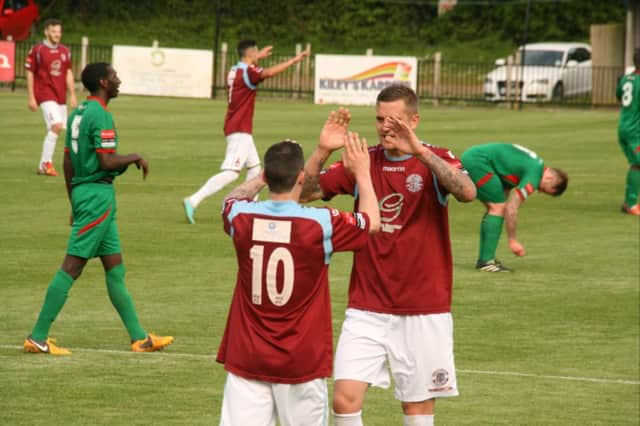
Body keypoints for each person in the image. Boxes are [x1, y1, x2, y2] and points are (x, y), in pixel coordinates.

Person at [300, 85, 476, 426]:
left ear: (414, 120)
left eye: (394, 121)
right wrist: (322, 151)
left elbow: (468, 192)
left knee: (416, 409)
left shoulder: (435, 158)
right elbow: (305, 192)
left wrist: (420, 152)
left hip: (424, 308)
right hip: (367, 305)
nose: (384, 128)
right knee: (344, 400)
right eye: (380, 120)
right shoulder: (363, 160)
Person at [217, 135, 380, 426]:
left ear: (266, 176)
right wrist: (363, 174)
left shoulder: (240, 217)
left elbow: (228, 201)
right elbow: (371, 222)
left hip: (247, 356)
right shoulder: (321, 223)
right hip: (300, 360)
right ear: (301, 177)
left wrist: (258, 181)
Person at [23, 63, 174, 355]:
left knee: (115, 268)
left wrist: (74, 201)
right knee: (73, 265)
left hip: (85, 194)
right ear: (104, 82)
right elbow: (106, 162)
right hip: (97, 197)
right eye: (115, 76)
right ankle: (38, 336)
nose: (119, 80)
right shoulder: (101, 115)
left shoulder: (78, 112)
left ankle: (139, 338)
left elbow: (67, 161)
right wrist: (134, 157)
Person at [182, 40, 310, 223]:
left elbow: (252, 69)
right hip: (240, 128)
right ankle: (193, 200)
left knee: (255, 169)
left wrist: (258, 56)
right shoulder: (249, 72)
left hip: (236, 125)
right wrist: (295, 60)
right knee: (232, 172)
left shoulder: (235, 70)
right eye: (256, 54)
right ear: (251, 55)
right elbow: (269, 72)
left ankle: (251, 210)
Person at [460, 143, 569, 272]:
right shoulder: (535, 173)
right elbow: (512, 207)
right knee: (497, 208)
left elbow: (505, 176)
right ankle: (485, 262)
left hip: (477, 158)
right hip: (478, 162)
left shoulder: (535, 164)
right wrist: (512, 240)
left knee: (495, 208)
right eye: (544, 189)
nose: (538, 191)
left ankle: (485, 259)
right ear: (550, 178)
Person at [25, 18, 77, 176]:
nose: (57, 34)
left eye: (59, 32)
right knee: (56, 125)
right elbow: (29, 72)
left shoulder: (65, 51)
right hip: (45, 94)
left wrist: (73, 94)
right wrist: (31, 97)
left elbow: (68, 72)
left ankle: (43, 165)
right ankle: (47, 163)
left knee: (57, 129)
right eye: (54, 31)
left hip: (60, 96)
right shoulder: (38, 50)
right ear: (46, 32)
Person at [615, 48, 640, 216]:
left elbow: (619, 97)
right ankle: (630, 204)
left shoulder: (625, 79)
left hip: (624, 126)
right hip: (634, 132)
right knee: (638, 164)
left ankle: (630, 202)